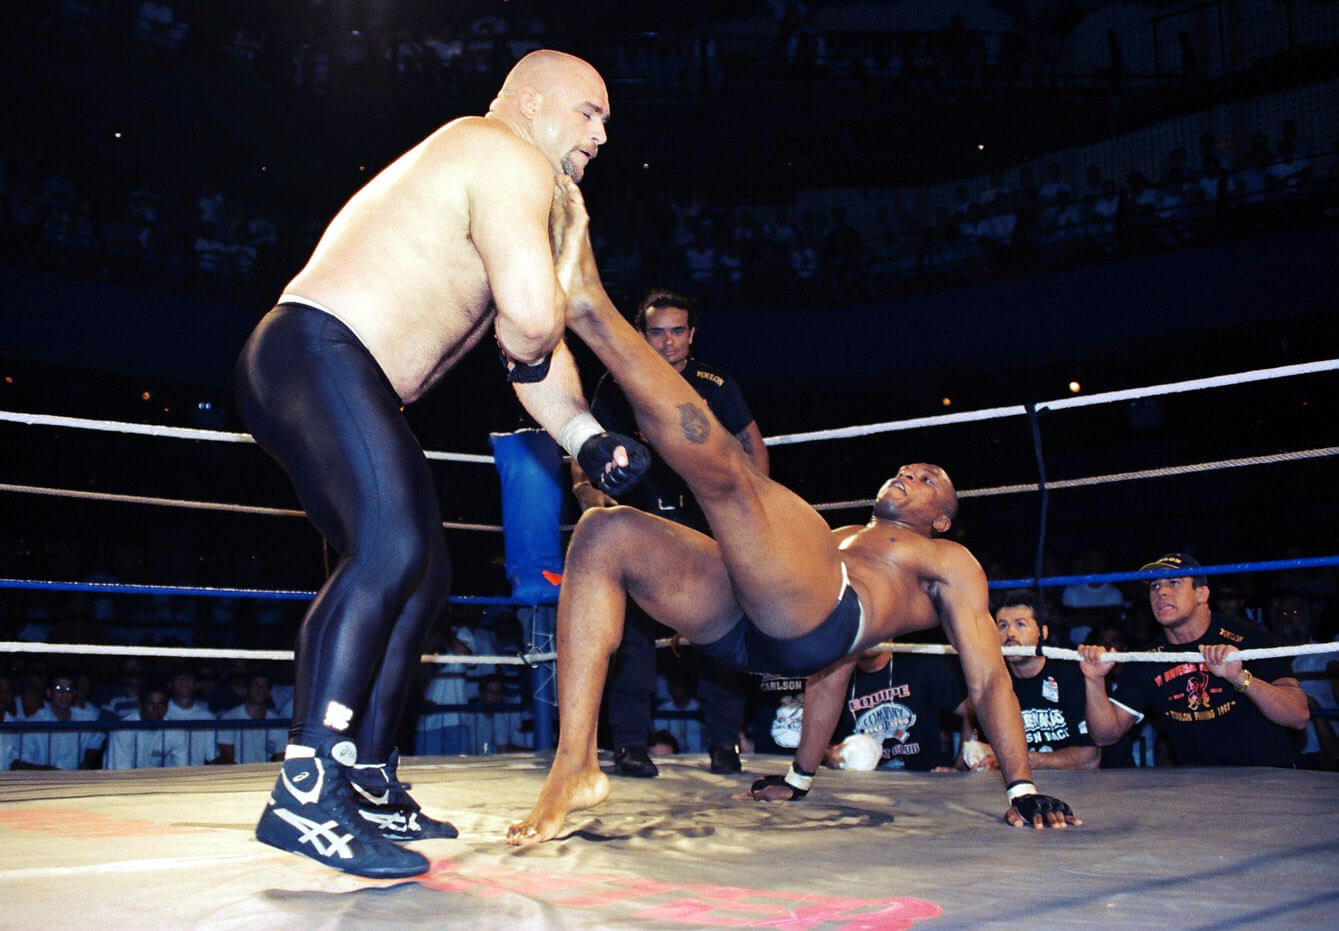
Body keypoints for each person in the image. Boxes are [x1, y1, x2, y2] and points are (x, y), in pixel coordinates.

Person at [507, 187, 1077, 845]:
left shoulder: (947, 560)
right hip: (754, 629)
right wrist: (800, 778)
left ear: (942, 519)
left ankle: (590, 306)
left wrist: (1021, 785)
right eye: (905, 468)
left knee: (732, 480)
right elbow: (830, 674)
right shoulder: (841, 539)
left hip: (808, 623)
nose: (906, 475)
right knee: (603, 532)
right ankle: (575, 762)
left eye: (926, 481)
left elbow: (986, 674)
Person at [233, 50, 649, 878]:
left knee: (421, 574)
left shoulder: (500, 174)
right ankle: (307, 783)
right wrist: (569, 263)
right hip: (319, 350)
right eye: (588, 112)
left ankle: (364, 773)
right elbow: (530, 323)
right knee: (389, 549)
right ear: (530, 103)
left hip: (325, 367)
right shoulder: (503, 153)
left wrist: (585, 437)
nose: (602, 134)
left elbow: (530, 362)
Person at [572, 289, 769, 777]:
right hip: (641, 530)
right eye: (657, 332)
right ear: (641, 335)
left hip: (707, 527)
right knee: (633, 638)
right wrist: (592, 499)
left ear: (691, 334)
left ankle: (725, 743)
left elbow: (751, 444)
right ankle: (630, 746)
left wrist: (756, 514)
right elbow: (585, 449)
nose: (667, 342)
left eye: (677, 331)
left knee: (719, 634)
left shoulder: (714, 383)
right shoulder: (618, 384)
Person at [1077, 553, 1310, 767]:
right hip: (1199, 787)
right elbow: (1106, 736)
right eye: (1155, 586)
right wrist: (1094, 680)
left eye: (1173, 583)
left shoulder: (1249, 638)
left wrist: (1240, 678)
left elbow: (1298, 716)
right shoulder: (1149, 659)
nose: (1161, 592)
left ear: (1202, 593)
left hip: (1267, 779)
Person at [988, 589, 1098, 770]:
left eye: (1020, 624)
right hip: (1017, 782)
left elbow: (1090, 757)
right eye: (1003, 626)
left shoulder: (1070, 675)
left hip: (1075, 783)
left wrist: (1030, 761)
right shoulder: (992, 681)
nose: (1010, 634)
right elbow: (981, 750)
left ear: (1042, 632)